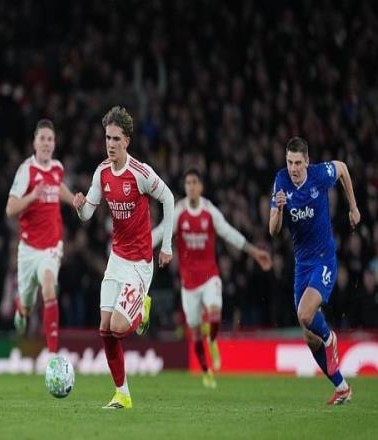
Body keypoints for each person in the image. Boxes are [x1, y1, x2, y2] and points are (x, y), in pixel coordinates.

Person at [73, 106, 174, 409]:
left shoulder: (140, 173)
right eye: (107, 138)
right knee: (104, 329)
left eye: (116, 138)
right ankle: (122, 394)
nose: (111, 144)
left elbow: (169, 198)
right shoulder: (102, 172)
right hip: (117, 259)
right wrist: (80, 206)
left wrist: (166, 246)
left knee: (118, 326)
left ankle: (142, 309)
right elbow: (87, 214)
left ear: (127, 141)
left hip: (140, 264)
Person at [152, 169, 272, 388]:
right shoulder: (179, 212)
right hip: (188, 283)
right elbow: (160, 232)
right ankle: (206, 371)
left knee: (215, 311)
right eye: (187, 183)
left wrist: (254, 252)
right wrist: (138, 247)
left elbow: (229, 232)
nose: (190, 186)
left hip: (209, 276)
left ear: (201, 187)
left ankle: (214, 339)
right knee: (196, 331)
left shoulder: (209, 211)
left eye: (194, 182)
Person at [269, 136, 360, 405]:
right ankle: (342, 387)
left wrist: (353, 207)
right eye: (289, 162)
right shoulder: (281, 181)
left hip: (324, 259)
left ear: (307, 161)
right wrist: (279, 210)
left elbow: (342, 168)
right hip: (302, 264)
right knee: (309, 337)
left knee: (306, 314)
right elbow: (273, 231)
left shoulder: (320, 175)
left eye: (298, 163)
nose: (293, 168)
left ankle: (330, 338)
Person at [6, 119, 74, 354]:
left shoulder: (57, 168)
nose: (46, 143)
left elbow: (58, 186)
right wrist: (32, 197)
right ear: (35, 143)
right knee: (27, 305)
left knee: (48, 288)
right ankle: (21, 309)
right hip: (28, 249)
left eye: (50, 139)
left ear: (54, 144)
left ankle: (53, 356)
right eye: (42, 139)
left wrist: (74, 200)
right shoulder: (26, 170)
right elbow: (10, 208)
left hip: (51, 247)